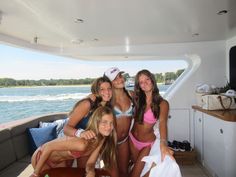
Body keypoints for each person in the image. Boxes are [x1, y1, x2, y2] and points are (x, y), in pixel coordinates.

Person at [30, 106, 117, 177]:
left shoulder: (100, 140)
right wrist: (35, 173)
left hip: (60, 162)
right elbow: (48, 147)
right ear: (96, 122)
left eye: (111, 123)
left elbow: (90, 163)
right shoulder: (83, 142)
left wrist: (90, 172)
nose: (108, 127)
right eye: (104, 122)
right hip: (42, 157)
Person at [129, 69, 174, 177]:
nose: (145, 83)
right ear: (139, 85)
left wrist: (163, 143)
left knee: (135, 174)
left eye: (147, 79)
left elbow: (163, 123)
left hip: (146, 144)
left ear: (152, 80)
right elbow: (118, 92)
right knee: (136, 167)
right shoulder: (136, 98)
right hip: (132, 139)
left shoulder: (162, 103)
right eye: (141, 82)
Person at [104, 67, 134, 177]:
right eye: (114, 79)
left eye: (120, 76)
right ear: (109, 83)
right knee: (113, 174)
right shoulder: (107, 99)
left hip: (124, 141)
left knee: (124, 172)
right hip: (109, 142)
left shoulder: (131, 95)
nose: (120, 80)